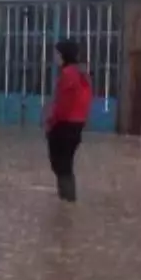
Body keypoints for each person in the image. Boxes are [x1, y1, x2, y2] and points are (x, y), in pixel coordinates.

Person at [45, 39, 93, 202]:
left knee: (60, 165)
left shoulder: (68, 74)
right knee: (66, 164)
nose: (55, 57)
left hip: (64, 125)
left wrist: (51, 123)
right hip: (77, 125)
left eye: (57, 53)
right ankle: (67, 201)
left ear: (64, 54)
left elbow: (63, 104)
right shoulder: (82, 74)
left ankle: (67, 200)